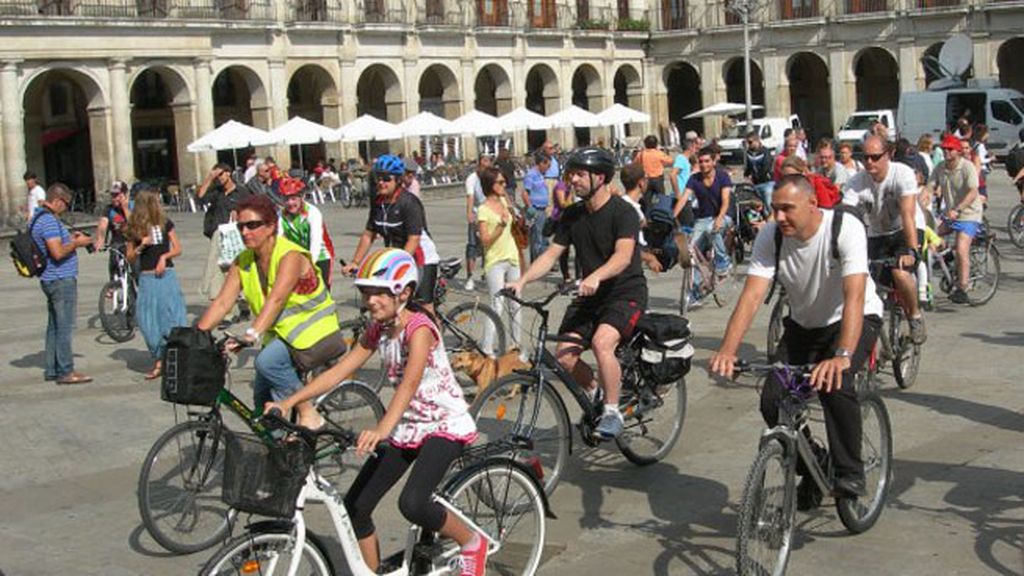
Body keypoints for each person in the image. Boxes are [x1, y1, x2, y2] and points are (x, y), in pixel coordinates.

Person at [265, 248, 486, 575]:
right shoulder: (378, 328)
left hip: (443, 424)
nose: (371, 300)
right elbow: (339, 371)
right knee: (356, 508)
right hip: (407, 425)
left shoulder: (419, 329)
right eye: (367, 292)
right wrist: (289, 402)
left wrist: (381, 429)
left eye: (380, 293)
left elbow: (409, 384)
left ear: (404, 293)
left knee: (413, 503)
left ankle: (472, 542)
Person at [710, 174, 884, 503]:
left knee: (835, 383)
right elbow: (751, 297)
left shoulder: (843, 228)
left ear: (812, 204)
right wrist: (727, 350)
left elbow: (855, 295)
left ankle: (850, 472)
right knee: (773, 401)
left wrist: (842, 355)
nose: (779, 217)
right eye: (775, 208)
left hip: (854, 319)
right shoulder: (771, 236)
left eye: (787, 208)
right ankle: (816, 463)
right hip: (804, 326)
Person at [508, 147, 646, 440]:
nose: (572, 180)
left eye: (580, 174)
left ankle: (613, 411)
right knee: (564, 357)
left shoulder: (623, 213)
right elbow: (551, 254)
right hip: (589, 295)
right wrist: (522, 280)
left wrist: (595, 276)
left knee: (601, 343)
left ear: (600, 177)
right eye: (571, 174)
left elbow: (623, 257)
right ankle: (597, 392)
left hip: (624, 293)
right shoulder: (572, 215)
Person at [197, 194, 346, 429]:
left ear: (271, 227)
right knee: (262, 400)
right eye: (240, 226)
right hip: (281, 336)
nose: (245, 232)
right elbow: (222, 303)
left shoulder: (290, 255)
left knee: (266, 363)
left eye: (252, 225)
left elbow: (277, 299)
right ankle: (281, 446)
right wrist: (194, 336)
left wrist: (251, 334)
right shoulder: (244, 260)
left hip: (313, 333)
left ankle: (308, 412)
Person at [842, 135, 927, 344]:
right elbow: (846, 217)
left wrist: (911, 250)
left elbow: (907, 214)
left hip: (906, 230)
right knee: (859, 278)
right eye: (865, 157)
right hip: (877, 233)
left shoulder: (902, 174)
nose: (869, 162)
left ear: (888, 155)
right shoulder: (856, 182)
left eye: (875, 157)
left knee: (900, 272)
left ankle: (915, 317)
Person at [342, 154, 441, 311]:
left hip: (421, 258)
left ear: (398, 180)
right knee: (393, 306)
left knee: (423, 307)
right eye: (378, 178)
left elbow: (414, 239)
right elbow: (368, 235)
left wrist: (397, 264)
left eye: (387, 179)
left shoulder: (409, 202)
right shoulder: (378, 203)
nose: (381, 182)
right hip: (397, 257)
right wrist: (355, 262)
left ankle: (432, 326)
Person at [31, 183, 93, 384]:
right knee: (65, 326)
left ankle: (52, 369)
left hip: (49, 278)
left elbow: (53, 244)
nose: (66, 208)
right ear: (57, 201)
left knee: (54, 326)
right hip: (60, 279)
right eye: (66, 204)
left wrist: (69, 239)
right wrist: (76, 243)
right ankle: (66, 371)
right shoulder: (48, 221)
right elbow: (57, 253)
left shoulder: (38, 217)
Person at [125, 189, 188, 380]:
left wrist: (164, 257)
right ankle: (159, 358)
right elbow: (130, 257)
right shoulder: (134, 227)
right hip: (147, 278)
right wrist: (141, 246)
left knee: (170, 318)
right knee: (147, 321)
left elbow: (178, 248)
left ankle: (171, 360)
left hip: (166, 275)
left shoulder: (164, 223)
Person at [929, 134, 984, 305]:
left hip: (969, 214)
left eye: (950, 149)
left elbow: (973, 192)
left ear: (958, 151)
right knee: (929, 234)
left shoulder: (967, 167)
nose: (946, 151)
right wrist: (917, 203)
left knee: (961, 247)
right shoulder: (940, 167)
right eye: (944, 148)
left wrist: (958, 209)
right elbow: (929, 188)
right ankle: (947, 258)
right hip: (950, 213)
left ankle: (962, 288)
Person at [476, 167, 523, 354]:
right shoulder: (483, 210)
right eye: (501, 182)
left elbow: (515, 220)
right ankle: (487, 348)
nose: (505, 185)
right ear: (490, 185)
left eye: (504, 182)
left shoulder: (504, 200)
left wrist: (516, 216)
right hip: (495, 261)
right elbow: (485, 241)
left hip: (512, 256)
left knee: (516, 304)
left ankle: (515, 346)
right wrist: (500, 226)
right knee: (497, 304)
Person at [197, 162, 253, 305]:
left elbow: (250, 209)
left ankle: (243, 301)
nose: (219, 177)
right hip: (217, 234)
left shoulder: (241, 192)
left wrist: (238, 213)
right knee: (218, 268)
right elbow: (200, 198)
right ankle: (219, 300)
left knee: (236, 268)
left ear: (229, 173)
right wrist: (209, 178)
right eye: (217, 175)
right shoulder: (216, 192)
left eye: (221, 174)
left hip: (235, 237)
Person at [276, 176, 335, 289]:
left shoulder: (313, 213)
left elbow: (315, 241)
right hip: (299, 256)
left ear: (301, 197)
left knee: (322, 290)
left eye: (293, 199)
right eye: (286, 199)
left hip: (321, 256)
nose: (290, 203)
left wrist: (310, 266)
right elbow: (278, 239)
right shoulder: (281, 215)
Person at [686, 145, 733, 273]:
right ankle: (695, 284)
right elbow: (684, 198)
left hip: (724, 215)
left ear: (713, 162)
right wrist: (672, 216)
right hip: (703, 218)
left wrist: (719, 219)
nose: (703, 164)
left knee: (711, 229)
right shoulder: (694, 178)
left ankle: (723, 261)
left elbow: (726, 201)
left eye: (707, 161)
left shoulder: (722, 176)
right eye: (701, 161)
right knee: (691, 250)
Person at [93, 180, 133, 280]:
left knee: (136, 270)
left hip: (133, 243)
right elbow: (103, 225)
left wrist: (125, 208)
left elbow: (134, 225)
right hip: (117, 244)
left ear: (125, 195)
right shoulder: (109, 209)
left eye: (117, 195)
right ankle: (114, 285)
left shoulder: (133, 206)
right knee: (114, 265)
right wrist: (100, 240)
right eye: (112, 195)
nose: (114, 199)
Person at [463, 156, 492, 290]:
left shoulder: (491, 177)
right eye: (485, 161)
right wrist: (469, 214)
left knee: (489, 246)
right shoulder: (472, 179)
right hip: (477, 215)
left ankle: (487, 273)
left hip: (490, 215)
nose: (487, 165)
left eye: (489, 161)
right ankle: (470, 277)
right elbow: (470, 197)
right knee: (472, 246)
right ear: (479, 164)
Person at [521, 153, 552, 262]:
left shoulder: (540, 175)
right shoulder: (531, 175)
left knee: (543, 236)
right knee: (537, 237)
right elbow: (525, 193)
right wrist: (530, 207)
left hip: (542, 209)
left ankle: (543, 260)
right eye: (547, 165)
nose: (548, 168)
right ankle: (537, 261)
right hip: (536, 209)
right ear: (541, 163)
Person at [634, 135, 674, 208]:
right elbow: (670, 161)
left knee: (647, 200)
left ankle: (648, 213)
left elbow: (635, 163)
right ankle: (662, 211)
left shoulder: (641, 154)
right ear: (656, 144)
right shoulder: (659, 153)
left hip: (646, 179)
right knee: (662, 199)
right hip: (658, 178)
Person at [744, 132, 776, 211]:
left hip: (767, 183)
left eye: (750, 142)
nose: (748, 145)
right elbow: (749, 166)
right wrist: (746, 175)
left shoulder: (765, 152)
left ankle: (771, 217)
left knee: (768, 204)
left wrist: (758, 176)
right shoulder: (749, 153)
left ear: (757, 141)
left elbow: (766, 167)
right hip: (756, 183)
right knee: (760, 207)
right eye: (747, 142)